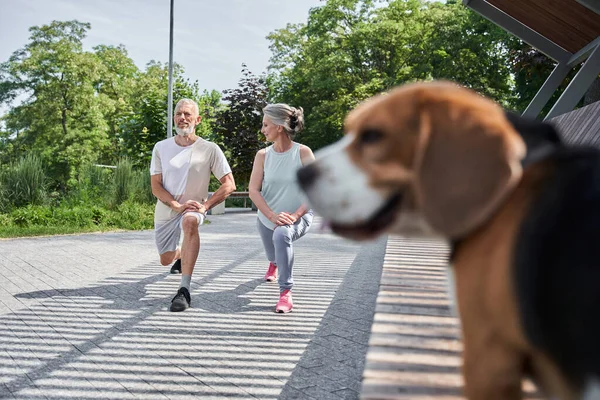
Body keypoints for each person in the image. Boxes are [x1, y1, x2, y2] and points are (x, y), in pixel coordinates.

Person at [150, 98, 236, 312]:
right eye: (178, 114)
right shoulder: (161, 147)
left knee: (190, 223)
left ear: (197, 119)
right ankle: (179, 255)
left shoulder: (210, 149)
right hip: (168, 207)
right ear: (173, 118)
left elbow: (229, 184)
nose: (182, 118)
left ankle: (184, 290)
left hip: (194, 208)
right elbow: (156, 187)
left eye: (187, 114)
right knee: (165, 259)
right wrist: (176, 205)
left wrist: (205, 206)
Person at [248, 103, 315, 313]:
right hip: (267, 217)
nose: (262, 130)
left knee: (281, 236)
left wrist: (295, 215)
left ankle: (286, 292)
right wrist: (271, 215)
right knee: (273, 254)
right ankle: (274, 263)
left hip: (298, 216)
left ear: (279, 126)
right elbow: (253, 190)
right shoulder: (262, 156)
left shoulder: (303, 153)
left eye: (265, 124)